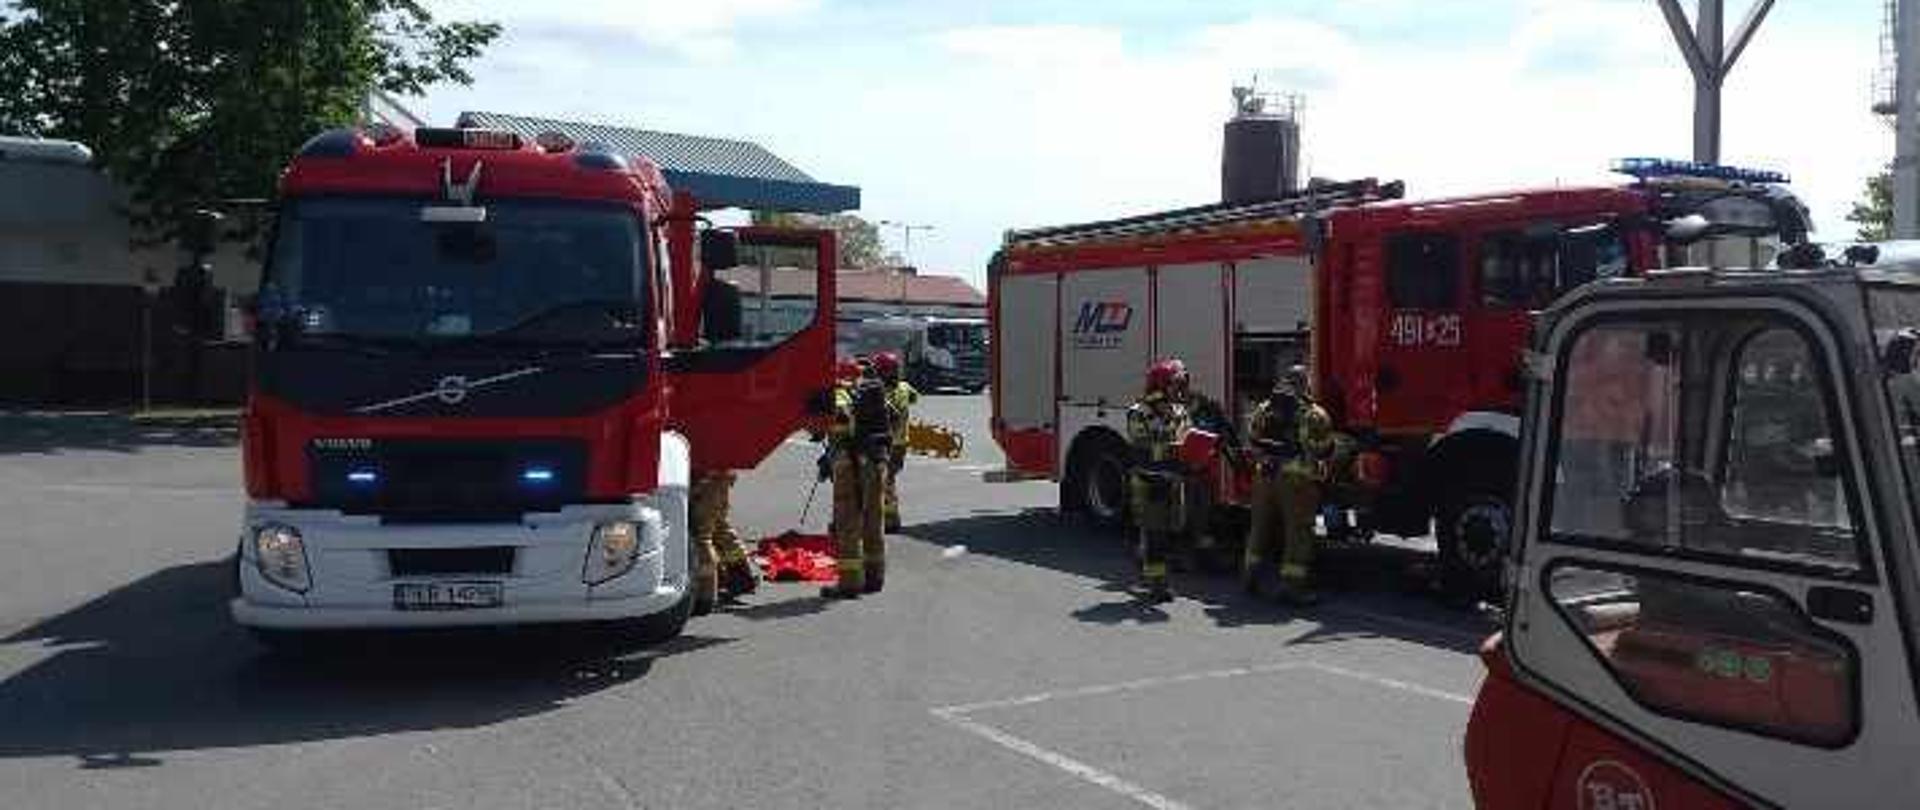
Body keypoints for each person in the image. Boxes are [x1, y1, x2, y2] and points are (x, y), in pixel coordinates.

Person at [1241, 365, 1334, 606]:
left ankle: (1250, 576)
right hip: (1297, 481)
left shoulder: (1264, 408)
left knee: (1259, 527)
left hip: (1265, 476)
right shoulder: (1314, 414)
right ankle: (1292, 588)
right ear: (1305, 384)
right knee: (1298, 532)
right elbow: (1323, 448)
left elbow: (1251, 438)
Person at [821, 359, 893, 599]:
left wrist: (822, 425)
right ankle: (875, 577)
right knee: (874, 519)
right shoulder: (875, 390)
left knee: (847, 522)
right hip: (878, 460)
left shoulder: (843, 393)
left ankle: (849, 582)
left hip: (851, 463)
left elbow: (841, 423)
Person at [1126, 358, 1195, 604]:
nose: (1180, 389)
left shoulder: (1179, 411)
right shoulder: (1139, 413)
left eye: (1181, 383)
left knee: (1172, 529)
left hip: (1173, 480)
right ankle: (1158, 584)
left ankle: (1145, 558)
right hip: (1150, 482)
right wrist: (1171, 451)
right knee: (1156, 534)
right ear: (1160, 385)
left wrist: (1196, 451)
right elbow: (1141, 451)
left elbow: (1188, 438)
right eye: (1175, 383)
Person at [689, 469, 758, 615]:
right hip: (719, 480)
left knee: (702, 537)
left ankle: (705, 595)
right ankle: (744, 574)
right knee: (721, 529)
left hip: (707, 483)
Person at [871, 351, 919, 533]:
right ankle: (890, 518)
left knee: (882, 481)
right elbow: (915, 398)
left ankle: (889, 519)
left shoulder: (877, 391)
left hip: (884, 443)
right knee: (889, 479)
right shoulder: (905, 387)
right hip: (901, 445)